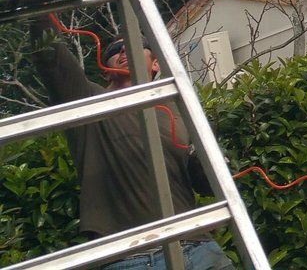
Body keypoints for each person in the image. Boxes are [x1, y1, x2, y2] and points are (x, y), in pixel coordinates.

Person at [30, 13, 235, 269]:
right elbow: (51, 59)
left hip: (196, 245)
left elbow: (206, 185)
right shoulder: (87, 102)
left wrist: (210, 167)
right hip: (129, 257)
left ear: (156, 64)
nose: (124, 50)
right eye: (115, 50)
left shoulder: (179, 108)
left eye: (136, 45)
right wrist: (40, 13)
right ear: (106, 72)